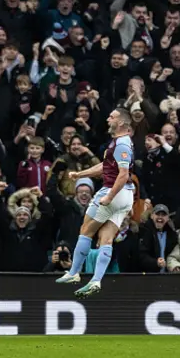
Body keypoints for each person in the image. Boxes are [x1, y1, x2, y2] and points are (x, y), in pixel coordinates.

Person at [55, 109, 134, 297]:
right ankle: (96, 280)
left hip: (113, 191)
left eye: (112, 116)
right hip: (126, 197)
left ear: (122, 123)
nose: (108, 118)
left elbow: (123, 175)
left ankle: (74, 273)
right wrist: (79, 174)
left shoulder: (122, 144)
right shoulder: (118, 143)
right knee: (105, 238)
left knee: (86, 230)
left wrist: (109, 196)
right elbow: (104, 167)